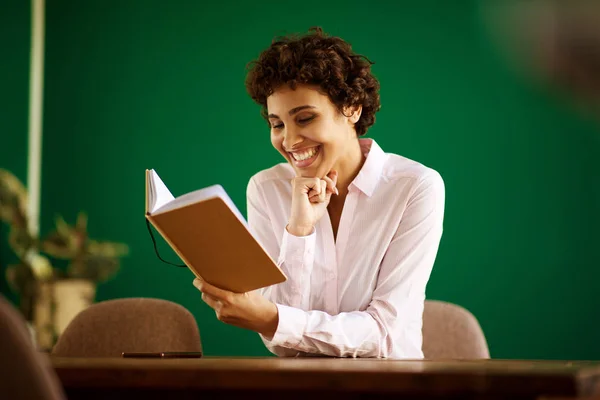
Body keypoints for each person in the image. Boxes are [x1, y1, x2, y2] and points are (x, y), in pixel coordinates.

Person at [193, 27, 445, 359]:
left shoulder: (414, 186)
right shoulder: (266, 188)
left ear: (352, 108)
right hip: (299, 387)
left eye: (305, 118)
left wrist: (271, 319)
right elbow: (279, 341)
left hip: (389, 386)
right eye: (277, 124)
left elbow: (384, 333)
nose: (290, 141)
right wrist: (299, 229)